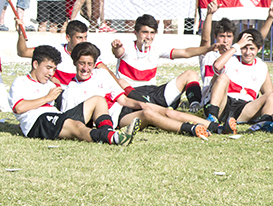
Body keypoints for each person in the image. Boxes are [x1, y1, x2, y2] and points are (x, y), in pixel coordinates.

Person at [63, 42, 224, 139]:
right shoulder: (71, 90)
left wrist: (141, 104)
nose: (85, 68)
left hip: (130, 102)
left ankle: (215, 127)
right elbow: (73, 121)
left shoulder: (102, 74)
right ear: (75, 63)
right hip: (116, 119)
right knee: (148, 115)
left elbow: (123, 100)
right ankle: (190, 129)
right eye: (81, 64)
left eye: (89, 64)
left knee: (161, 111)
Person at [9, 45, 136, 145]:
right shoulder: (21, 81)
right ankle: (113, 138)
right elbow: (18, 108)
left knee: (98, 99)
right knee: (76, 126)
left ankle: (108, 131)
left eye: (53, 69)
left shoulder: (50, 84)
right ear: (35, 64)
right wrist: (47, 98)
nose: (51, 73)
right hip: (38, 121)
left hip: (58, 116)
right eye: (48, 68)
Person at [111, 14, 210, 110]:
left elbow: (185, 52)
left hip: (153, 93)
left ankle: (195, 106)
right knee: (120, 82)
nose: (149, 37)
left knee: (191, 74)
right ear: (135, 33)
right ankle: (150, 107)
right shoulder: (127, 47)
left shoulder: (156, 49)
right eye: (145, 32)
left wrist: (210, 48)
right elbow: (118, 52)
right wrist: (116, 47)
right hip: (133, 96)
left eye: (152, 32)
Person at [203, 29, 273, 133]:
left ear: (259, 49)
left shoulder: (262, 67)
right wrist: (236, 47)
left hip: (245, 107)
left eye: (252, 48)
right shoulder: (231, 59)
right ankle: (212, 116)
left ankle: (265, 122)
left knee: (272, 95)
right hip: (224, 102)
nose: (248, 52)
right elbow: (217, 66)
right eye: (244, 48)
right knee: (222, 77)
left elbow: (268, 93)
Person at [16, 19, 112, 89]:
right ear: (68, 38)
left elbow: (109, 75)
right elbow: (23, 52)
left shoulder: (89, 54)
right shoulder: (55, 50)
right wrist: (20, 34)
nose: (84, 41)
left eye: (85, 37)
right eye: (79, 38)